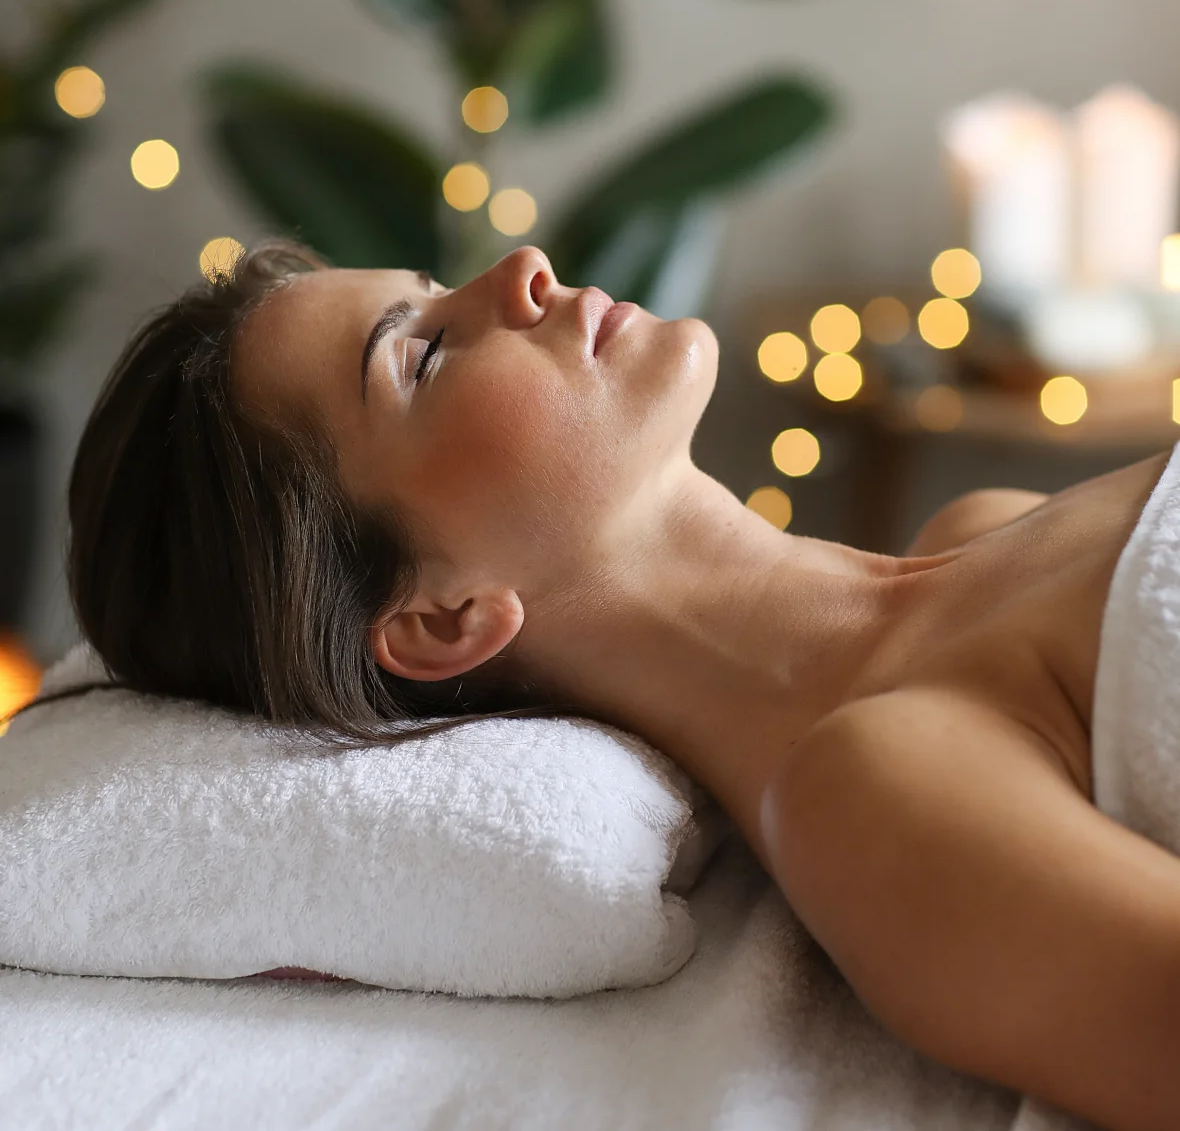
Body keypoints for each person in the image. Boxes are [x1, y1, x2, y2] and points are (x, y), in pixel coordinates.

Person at [67, 238, 1180, 1131]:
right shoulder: (869, 793)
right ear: (442, 618)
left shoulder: (982, 527)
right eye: (426, 353)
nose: (522, 269)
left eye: (439, 284)